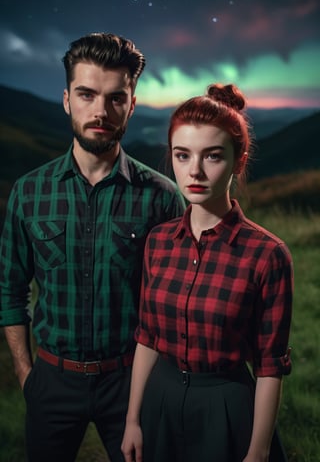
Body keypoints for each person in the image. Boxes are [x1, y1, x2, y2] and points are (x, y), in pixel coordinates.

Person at [0, 32, 185, 462]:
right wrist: (26, 373)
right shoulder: (29, 193)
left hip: (131, 382)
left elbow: (172, 302)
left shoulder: (161, 196)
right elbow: (9, 291)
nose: (100, 111)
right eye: (86, 94)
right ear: (67, 100)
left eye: (116, 98)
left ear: (132, 104)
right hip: (50, 379)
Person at [121, 83, 293, 462]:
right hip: (160, 399)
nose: (194, 171)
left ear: (239, 160)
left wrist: (258, 452)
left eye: (212, 156)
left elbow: (269, 365)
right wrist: (133, 419)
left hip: (227, 405)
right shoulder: (158, 241)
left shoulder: (267, 254)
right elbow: (148, 337)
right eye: (182, 156)